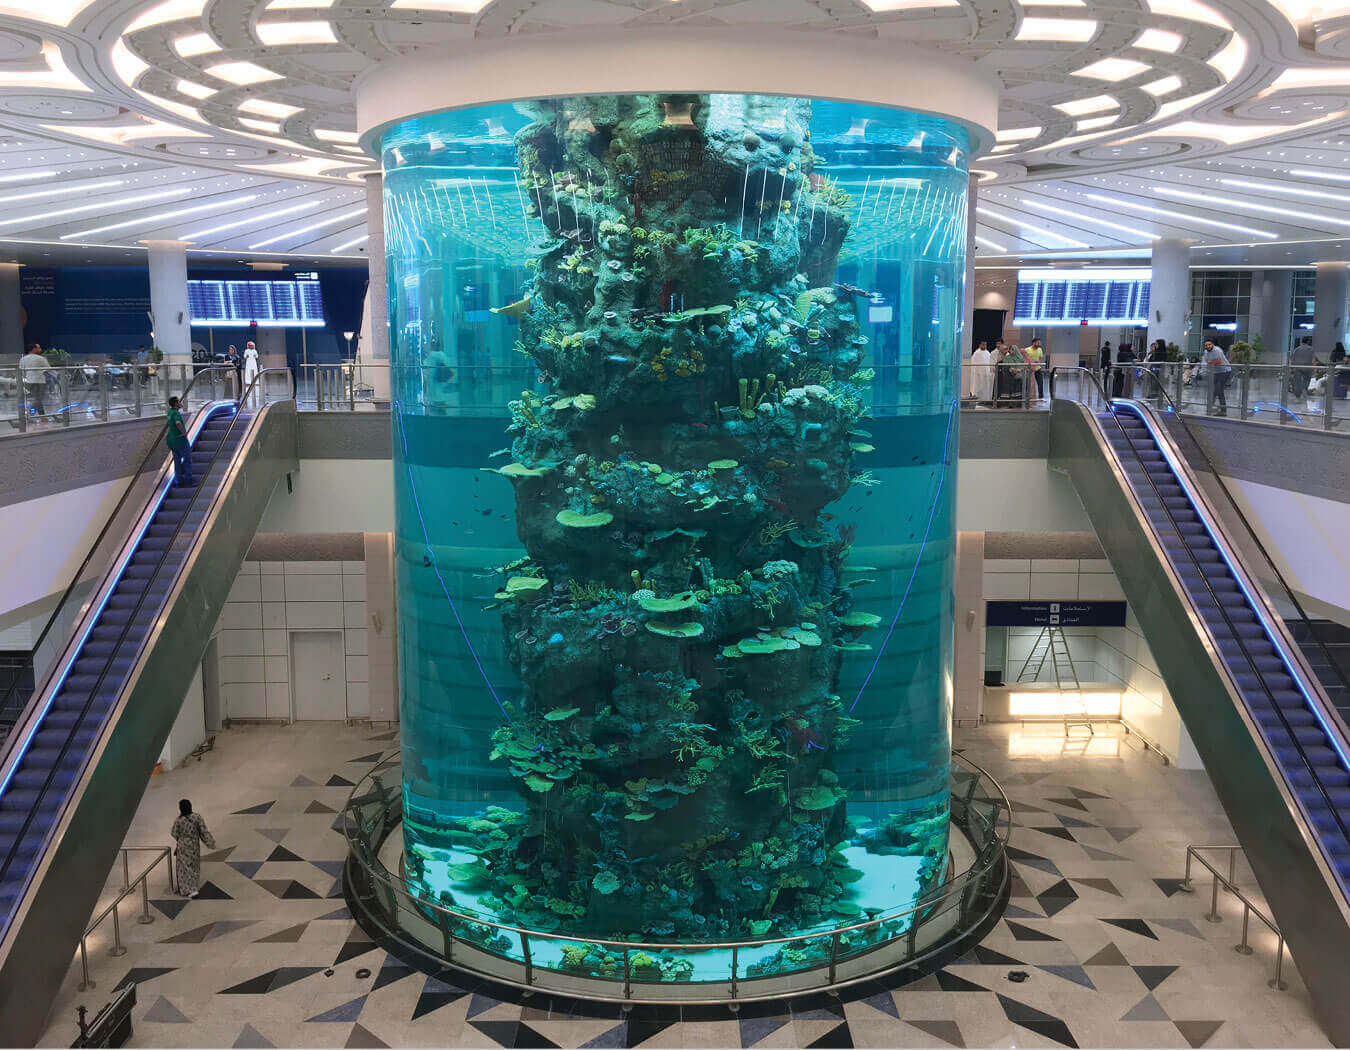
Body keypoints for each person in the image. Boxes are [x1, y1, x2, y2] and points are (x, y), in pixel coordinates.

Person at [171, 799, 216, 898]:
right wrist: (210, 842)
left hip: (182, 847)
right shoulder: (197, 817)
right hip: (194, 846)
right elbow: (203, 831)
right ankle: (193, 888)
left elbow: (174, 833)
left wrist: (182, 838)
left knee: (184, 869)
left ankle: (185, 889)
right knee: (194, 867)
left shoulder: (179, 820)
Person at [165, 395, 193, 487]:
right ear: (176, 404)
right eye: (179, 402)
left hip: (171, 441)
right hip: (180, 440)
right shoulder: (176, 413)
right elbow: (178, 423)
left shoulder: (170, 412)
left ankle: (179, 482)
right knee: (187, 460)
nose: (180, 403)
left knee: (177, 461)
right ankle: (188, 481)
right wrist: (183, 433)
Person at [1202, 338, 1232, 416]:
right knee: (1213, 390)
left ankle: (1223, 410)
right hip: (1216, 372)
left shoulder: (1217, 350)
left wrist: (1210, 362)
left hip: (1224, 371)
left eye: (1209, 344)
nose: (1208, 346)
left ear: (1213, 344)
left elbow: (1219, 361)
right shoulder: (1206, 352)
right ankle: (1211, 407)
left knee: (1219, 390)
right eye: (1206, 345)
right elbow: (1205, 361)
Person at [19, 342, 48, 417]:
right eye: (38, 348)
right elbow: (48, 369)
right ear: (34, 349)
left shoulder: (23, 359)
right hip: (39, 381)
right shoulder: (41, 358)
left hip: (28, 381)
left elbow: (21, 370)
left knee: (38, 399)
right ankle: (29, 414)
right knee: (38, 399)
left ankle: (43, 417)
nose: (40, 349)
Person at [242, 340, 259, 406]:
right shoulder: (246, 350)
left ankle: (255, 380)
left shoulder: (255, 350)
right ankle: (248, 380)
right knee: (249, 371)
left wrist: (255, 355)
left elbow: (257, 356)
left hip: (253, 362)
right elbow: (244, 356)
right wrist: (247, 356)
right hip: (249, 362)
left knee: (254, 370)